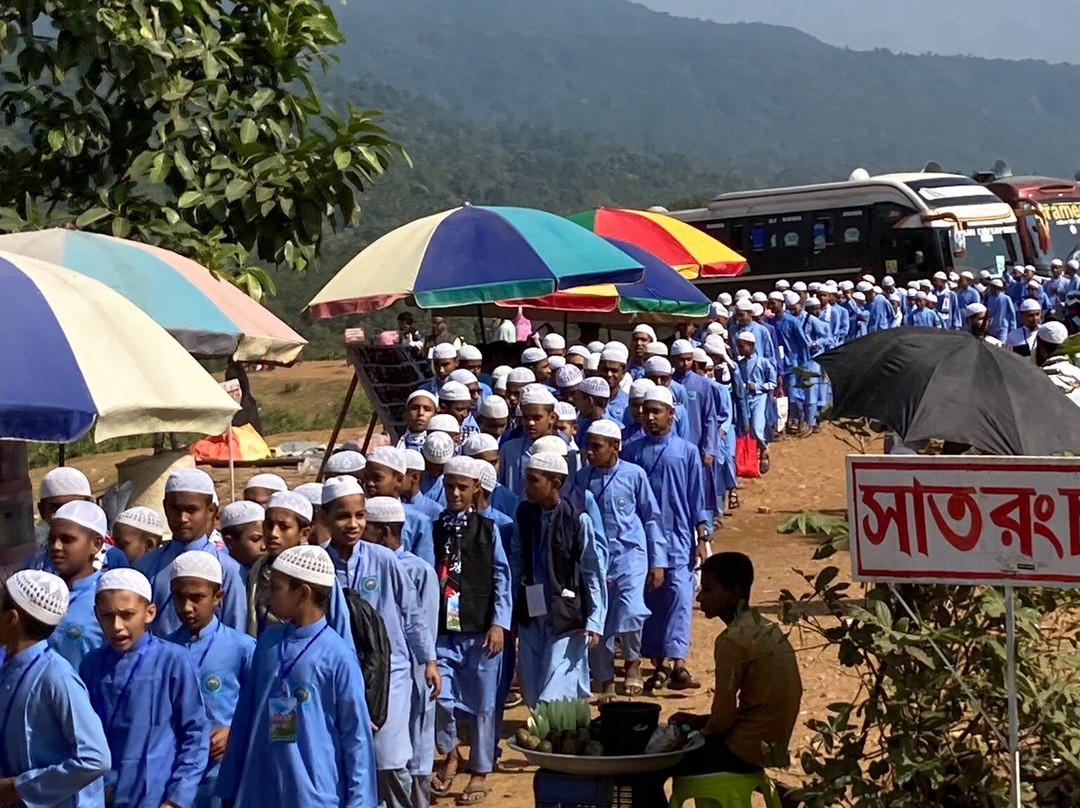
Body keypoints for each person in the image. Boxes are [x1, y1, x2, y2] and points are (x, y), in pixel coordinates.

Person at [216, 545, 378, 808]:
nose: (268, 594)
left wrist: (360, 802)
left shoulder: (338, 657)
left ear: (303, 593)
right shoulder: (268, 643)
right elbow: (244, 716)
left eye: (276, 587)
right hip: (260, 789)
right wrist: (230, 785)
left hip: (313, 792)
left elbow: (356, 738)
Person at [644, 553, 802, 808]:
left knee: (653, 766)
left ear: (734, 593)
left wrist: (693, 734)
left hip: (743, 751)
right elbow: (754, 707)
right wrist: (698, 721)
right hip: (772, 744)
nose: (699, 598)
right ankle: (780, 792)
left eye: (708, 589)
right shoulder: (766, 627)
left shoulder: (732, 640)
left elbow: (722, 721)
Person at [321, 475, 440, 808]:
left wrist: (428, 660)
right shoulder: (318, 564)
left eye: (359, 516)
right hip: (339, 676)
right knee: (348, 758)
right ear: (324, 517)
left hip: (392, 674)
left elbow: (412, 612)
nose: (353, 524)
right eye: (343, 516)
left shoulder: (384, 560)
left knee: (390, 758)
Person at [82, 568, 209, 808]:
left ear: (149, 613)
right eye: (107, 616)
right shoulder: (92, 663)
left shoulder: (172, 660)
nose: (117, 626)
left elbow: (195, 732)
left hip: (155, 794)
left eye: (127, 615)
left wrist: (177, 798)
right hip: (99, 794)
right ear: (96, 615)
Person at [429, 458, 512, 806]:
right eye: (450, 486)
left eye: (462, 487)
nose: (455, 493)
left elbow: (502, 577)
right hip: (442, 631)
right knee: (439, 698)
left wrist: (499, 623)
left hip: (480, 630)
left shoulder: (489, 529)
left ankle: (479, 770)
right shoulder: (434, 528)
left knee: (483, 705)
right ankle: (450, 753)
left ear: (476, 487)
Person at [0, 570, 111, 808]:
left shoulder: (57, 676)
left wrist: (21, 787)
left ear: (11, 618)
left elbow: (95, 758)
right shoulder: (9, 667)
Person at [622, 387, 707, 692]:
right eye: (645, 411)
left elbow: (697, 497)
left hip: (680, 536)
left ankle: (679, 662)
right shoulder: (631, 452)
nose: (649, 417)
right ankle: (659, 665)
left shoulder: (687, 451)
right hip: (644, 541)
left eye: (656, 411)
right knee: (653, 601)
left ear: (671, 414)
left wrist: (702, 536)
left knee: (680, 598)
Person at [574, 420, 665, 697]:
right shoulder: (582, 478)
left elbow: (651, 517)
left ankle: (632, 661)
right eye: (587, 446)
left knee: (631, 609)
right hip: (596, 558)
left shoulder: (634, 475)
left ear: (615, 447)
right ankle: (605, 679)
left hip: (630, 553)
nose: (590, 452)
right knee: (598, 616)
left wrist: (657, 561)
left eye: (596, 447)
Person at [510, 452, 605, 707]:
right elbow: (517, 559)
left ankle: (553, 725)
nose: (526, 486)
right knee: (531, 686)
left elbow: (592, 570)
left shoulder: (577, 518)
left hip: (567, 610)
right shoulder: (524, 513)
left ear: (555, 484)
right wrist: (511, 606)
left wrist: (595, 619)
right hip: (533, 605)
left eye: (533, 480)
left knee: (556, 683)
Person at [362, 497, 439, 808]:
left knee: (396, 756)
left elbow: (420, 620)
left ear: (382, 532)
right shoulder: (356, 561)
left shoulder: (416, 569)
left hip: (402, 674)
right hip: (367, 674)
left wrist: (427, 663)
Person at [165, 551, 256, 808]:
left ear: (218, 597)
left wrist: (232, 731)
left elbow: (258, 705)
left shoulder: (242, 647)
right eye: (179, 597)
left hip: (221, 772)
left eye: (197, 598)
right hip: (175, 771)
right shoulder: (164, 650)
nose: (186, 607)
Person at [135, 469, 247, 637]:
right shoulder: (145, 565)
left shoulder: (229, 569)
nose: (182, 518)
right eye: (175, 509)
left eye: (191, 510)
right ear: (165, 507)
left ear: (211, 510)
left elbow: (234, 633)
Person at [246, 491, 354, 645]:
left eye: (284, 527)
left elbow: (340, 625)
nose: (273, 533)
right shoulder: (257, 570)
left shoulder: (316, 572)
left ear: (304, 534)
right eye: (269, 525)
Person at [45, 501, 108, 669]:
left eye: (67, 540)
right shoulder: (40, 591)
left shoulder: (107, 595)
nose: (56, 547)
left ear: (96, 544)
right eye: (51, 540)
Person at [28, 467, 127, 573]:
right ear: (42, 511)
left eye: (75, 507)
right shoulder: (35, 561)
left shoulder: (112, 558)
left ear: (90, 507)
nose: (65, 514)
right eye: (56, 508)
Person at [365, 446, 435, 567]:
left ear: (399, 479)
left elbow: (424, 568)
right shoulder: (359, 515)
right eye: (366, 477)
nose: (370, 483)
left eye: (377, 478)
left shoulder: (418, 521)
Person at [498, 385, 560, 499]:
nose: (530, 423)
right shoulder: (509, 449)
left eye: (537, 418)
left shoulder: (566, 452)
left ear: (552, 417)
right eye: (526, 417)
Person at [735, 332, 778, 472]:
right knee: (745, 427)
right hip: (744, 399)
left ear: (751, 345)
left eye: (742, 346)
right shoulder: (739, 364)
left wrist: (756, 386)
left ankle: (764, 451)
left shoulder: (763, 363)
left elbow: (772, 383)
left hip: (760, 398)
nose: (740, 349)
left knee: (756, 426)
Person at [219, 501, 266, 579]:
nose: (264, 546)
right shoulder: (222, 573)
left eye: (267, 538)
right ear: (229, 542)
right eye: (256, 539)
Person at [986, 278, 1016, 342]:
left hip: (1003, 326)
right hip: (991, 327)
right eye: (992, 287)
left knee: (1002, 344)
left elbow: (1012, 313)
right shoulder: (989, 298)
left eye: (998, 288)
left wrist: (1013, 327)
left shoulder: (1006, 298)